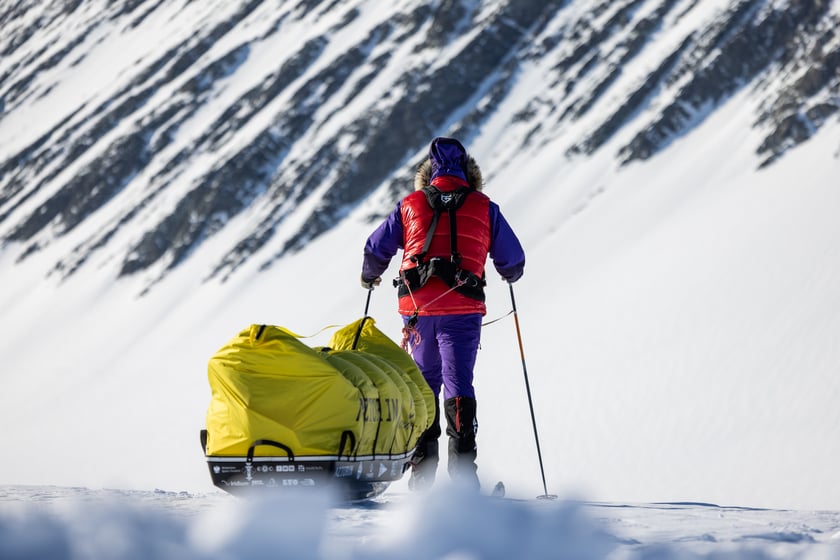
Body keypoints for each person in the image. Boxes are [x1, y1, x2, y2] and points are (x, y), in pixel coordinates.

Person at [360, 137, 525, 491]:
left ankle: (422, 475)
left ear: (427, 176)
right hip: (463, 307)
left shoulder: (410, 205)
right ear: (470, 175)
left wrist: (370, 274)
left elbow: (377, 247)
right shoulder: (485, 207)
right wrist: (509, 273)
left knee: (424, 383)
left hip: (417, 308)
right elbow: (512, 259)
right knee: (459, 384)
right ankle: (464, 479)